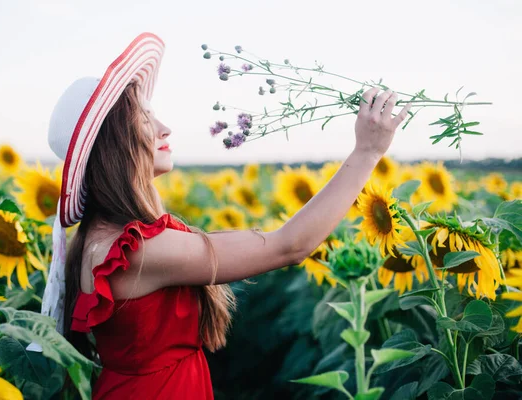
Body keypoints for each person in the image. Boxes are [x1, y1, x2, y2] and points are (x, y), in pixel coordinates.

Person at [43, 32, 411, 399]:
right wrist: (367, 153)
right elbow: (287, 246)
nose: (163, 128)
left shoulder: (101, 236)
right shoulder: (137, 252)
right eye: (143, 118)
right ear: (114, 141)